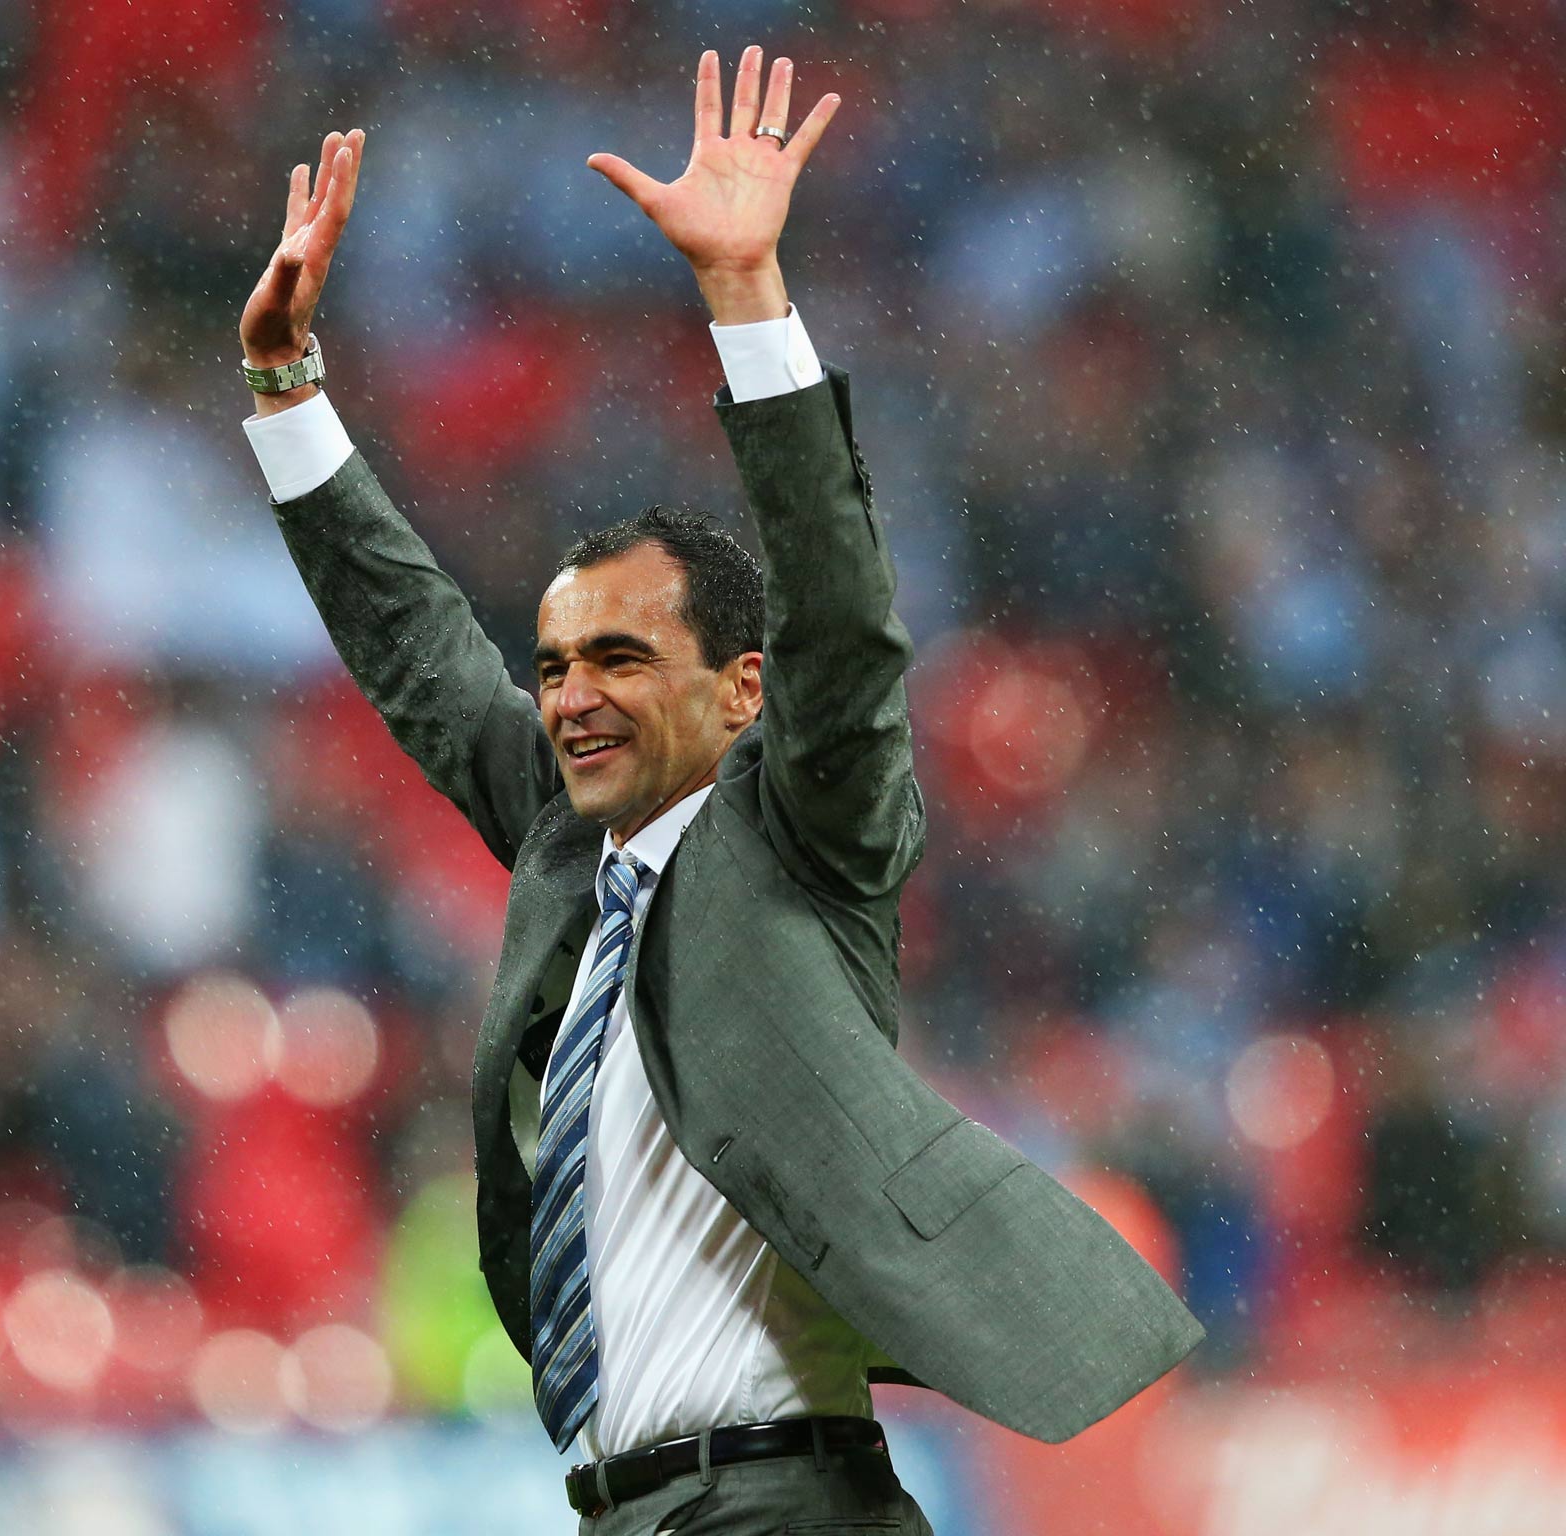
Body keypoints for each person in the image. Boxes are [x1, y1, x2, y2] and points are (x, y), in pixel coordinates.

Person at [236, 48, 1203, 1535]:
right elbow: (424, 656)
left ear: (740, 692)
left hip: (780, 1504)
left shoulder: (808, 834)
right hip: (623, 1509)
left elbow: (839, 603)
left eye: (620, 658)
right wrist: (291, 393)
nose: (569, 695)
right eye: (556, 663)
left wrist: (747, 296)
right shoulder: (574, 852)